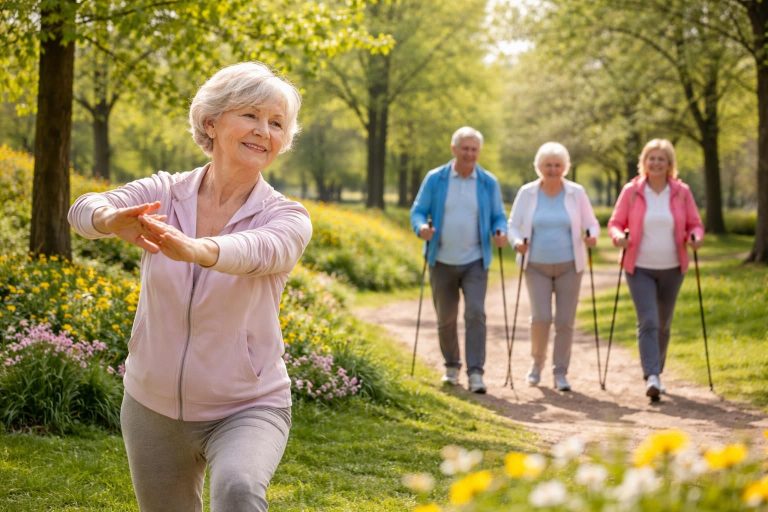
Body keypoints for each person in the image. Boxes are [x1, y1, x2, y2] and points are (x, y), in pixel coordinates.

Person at [68, 62, 312, 511]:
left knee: (238, 489)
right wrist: (108, 219)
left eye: (277, 123)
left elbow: (260, 250)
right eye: (251, 115)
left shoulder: (286, 216)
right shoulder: (165, 192)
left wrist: (199, 249)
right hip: (152, 405)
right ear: (211, 122)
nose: (264, 131)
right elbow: (83, 209)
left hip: (247, 405)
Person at [410, 126, 508, 394]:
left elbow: (499, 216)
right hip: (441, 259)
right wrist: (421, 227)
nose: (469, 154)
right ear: (454, 149)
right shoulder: (436, 179)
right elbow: (418, 211)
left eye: (474, 149)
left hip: (475, 260)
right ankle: (452, 365)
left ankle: (476, 372)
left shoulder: (488, 182)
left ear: (479, 152)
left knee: (475, 313)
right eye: (465, 148)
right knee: (446, 318)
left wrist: (500, 231)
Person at [608, 138, 703, 401]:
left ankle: (657, 371)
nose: (656, 163)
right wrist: (618, 237)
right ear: (644, 162)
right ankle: (652, 376)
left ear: (669, 163)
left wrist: (695, 237)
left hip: (673, 267)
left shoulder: (681, 192)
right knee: (648, 320)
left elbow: (695, 223)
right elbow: (615, 222)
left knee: (663, 323)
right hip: (639, 267)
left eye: (661, 159)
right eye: (652, 158)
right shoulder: (632, 191)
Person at [507, 142, 600, 392]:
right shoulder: (527, 193)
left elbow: (591, 222)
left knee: (564, 321)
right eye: (548, 165)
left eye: (557, 165)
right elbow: (513, 224)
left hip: (570, 265)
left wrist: (591, 235)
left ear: (565, 167)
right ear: (539, 167)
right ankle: (537, 364)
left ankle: (560, 372)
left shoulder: (576, 193)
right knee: (541, 318)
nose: (552, 169)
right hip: (535, 265)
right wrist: (517, 242)